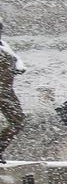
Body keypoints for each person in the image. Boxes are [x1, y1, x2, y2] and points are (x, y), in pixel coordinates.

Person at [0, 20, 26, 163]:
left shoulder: (4, 47)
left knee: (18, 121)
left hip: (6, 91)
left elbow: (19, 65)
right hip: (4, 90)